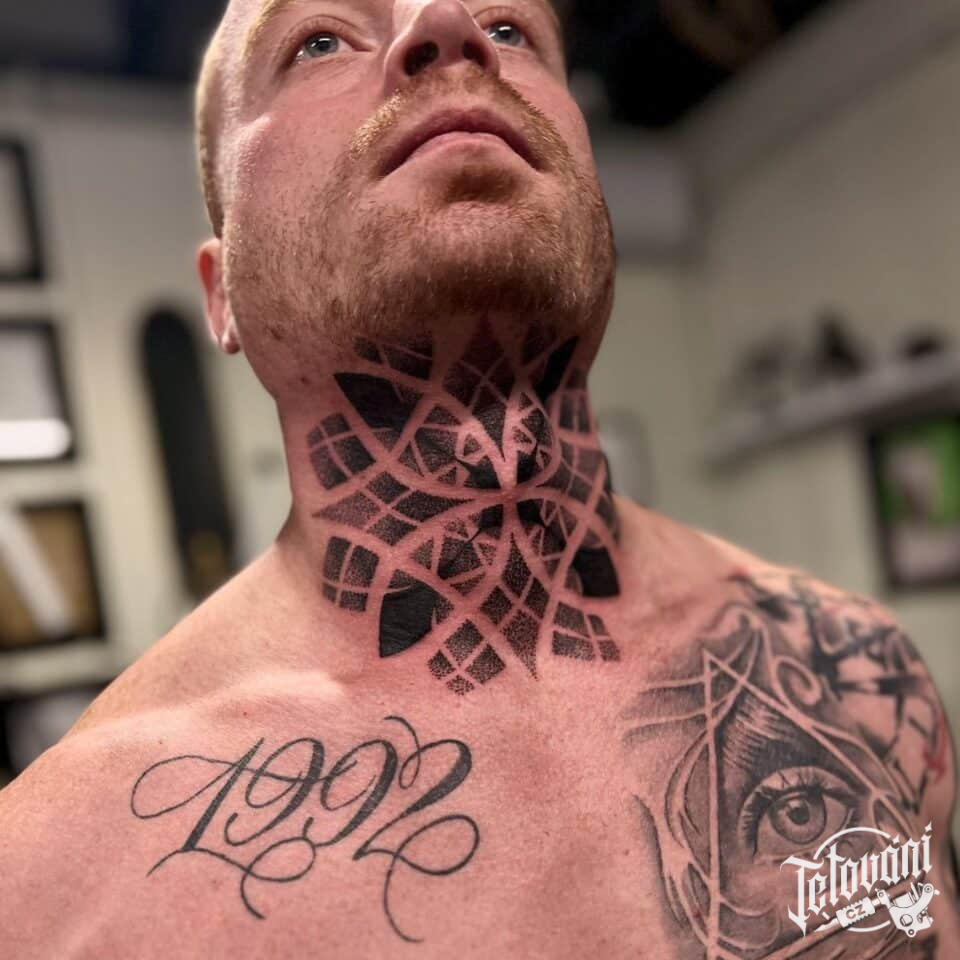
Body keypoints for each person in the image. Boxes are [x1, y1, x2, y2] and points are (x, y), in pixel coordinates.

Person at [1, 1, 957, 957]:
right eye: (320, 40)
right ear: (223, 295)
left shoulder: (854, 672)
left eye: (508, 28)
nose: (447, 25)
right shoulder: (54, 886)